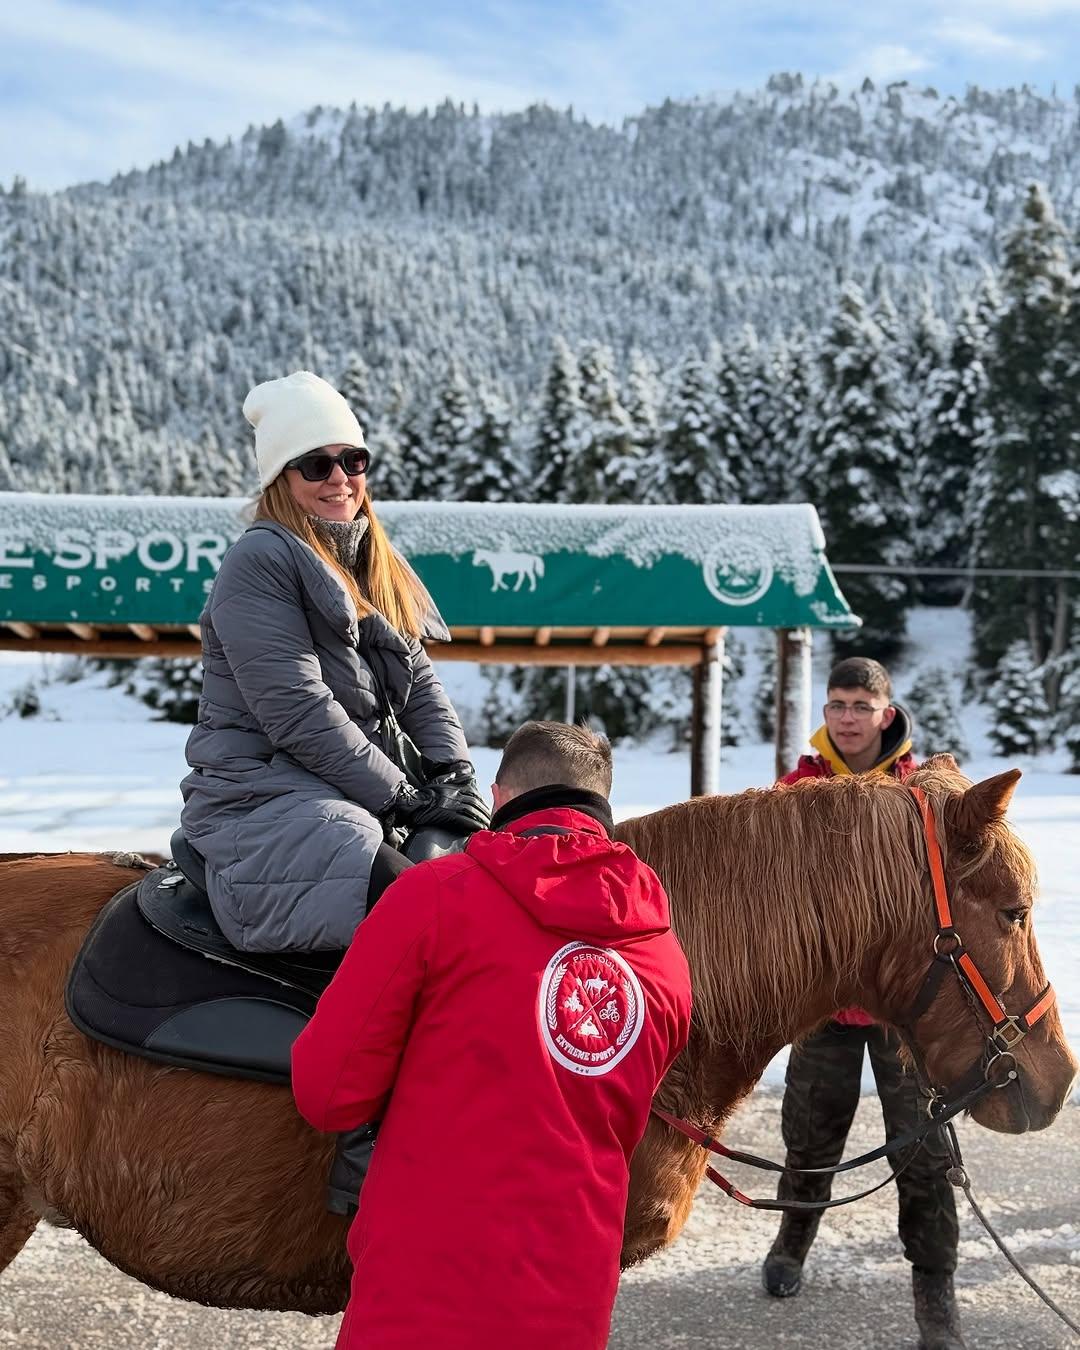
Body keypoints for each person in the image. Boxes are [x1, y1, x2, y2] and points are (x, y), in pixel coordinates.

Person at [291, 721, 693, 1350]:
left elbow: (328, 1091)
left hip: (423, 1290)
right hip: (571, 1294)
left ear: (501, 798)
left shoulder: (431, 897)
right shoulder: (662, 949)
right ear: (603, 806)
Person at [180, 370, 488, 954]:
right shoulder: (261, 559)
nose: (340, 478)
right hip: (261, 795)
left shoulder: (371, 557)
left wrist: (454, 776)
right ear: (280, 479)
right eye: (315, 465)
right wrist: (402, 796)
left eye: (353, 459)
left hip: (347, 788)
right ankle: (347, 1045)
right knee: (412, 901)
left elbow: (419, 680)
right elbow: (295, 709)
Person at [763, 657, 963, 1350]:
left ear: (887, 712)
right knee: (809, 1136)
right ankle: (792, 1240)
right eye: (836, 704)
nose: (846, 717)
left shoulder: (922, 791)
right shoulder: (795, 790)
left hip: (906, 1008)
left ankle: (935, 1288)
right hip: (822, 1002)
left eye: (859, 705)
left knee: (925, 1148)